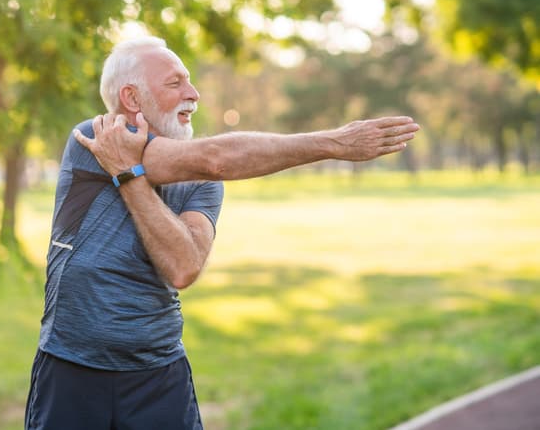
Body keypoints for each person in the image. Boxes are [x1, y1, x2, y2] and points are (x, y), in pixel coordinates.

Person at [24, 36, 419, 430]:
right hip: (70, 369)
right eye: (175, 83)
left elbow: (183, 268)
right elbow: (217, 159)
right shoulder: (95, 140)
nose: (193, 94)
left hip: (157, 376)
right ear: (131, 97)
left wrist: (129, 177)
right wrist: (335, 142)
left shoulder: (202, 183)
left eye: (190, 81)